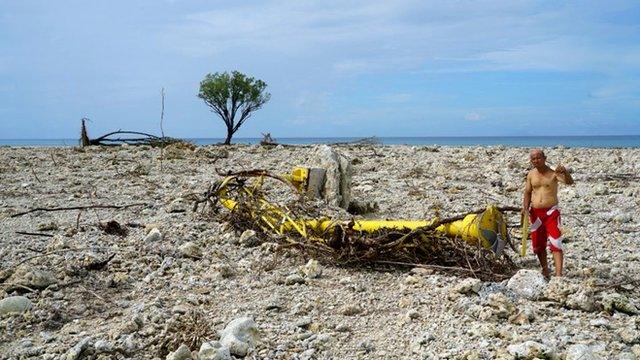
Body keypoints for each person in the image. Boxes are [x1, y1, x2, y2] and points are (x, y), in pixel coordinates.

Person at [523, 149, 574, 278]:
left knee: (555, 241)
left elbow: (569, 182)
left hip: (551, 212)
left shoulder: (553, 174)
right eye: (533, 158)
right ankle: (545, 270)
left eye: (538, 158)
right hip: (535, 213)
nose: (536, 160)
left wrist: (565, 172)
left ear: (544, 158)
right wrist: (525, 208)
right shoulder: (531, 175)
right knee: (538, 245)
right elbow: (528, 192)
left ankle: (558, 275)